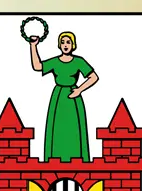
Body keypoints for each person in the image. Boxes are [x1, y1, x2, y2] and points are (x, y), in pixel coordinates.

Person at [29, 30, 99, 162]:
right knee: (57, 130)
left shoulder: (79, 61)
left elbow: (93, 77)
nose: (65, 45)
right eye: (62, 42)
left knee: (74, 130)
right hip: (58, 98)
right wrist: (33, 46)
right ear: (59, 45)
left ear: (73, 45)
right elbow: (37, 66)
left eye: (68, 42)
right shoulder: (55, 62)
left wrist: (79, 90)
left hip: (73, 98)